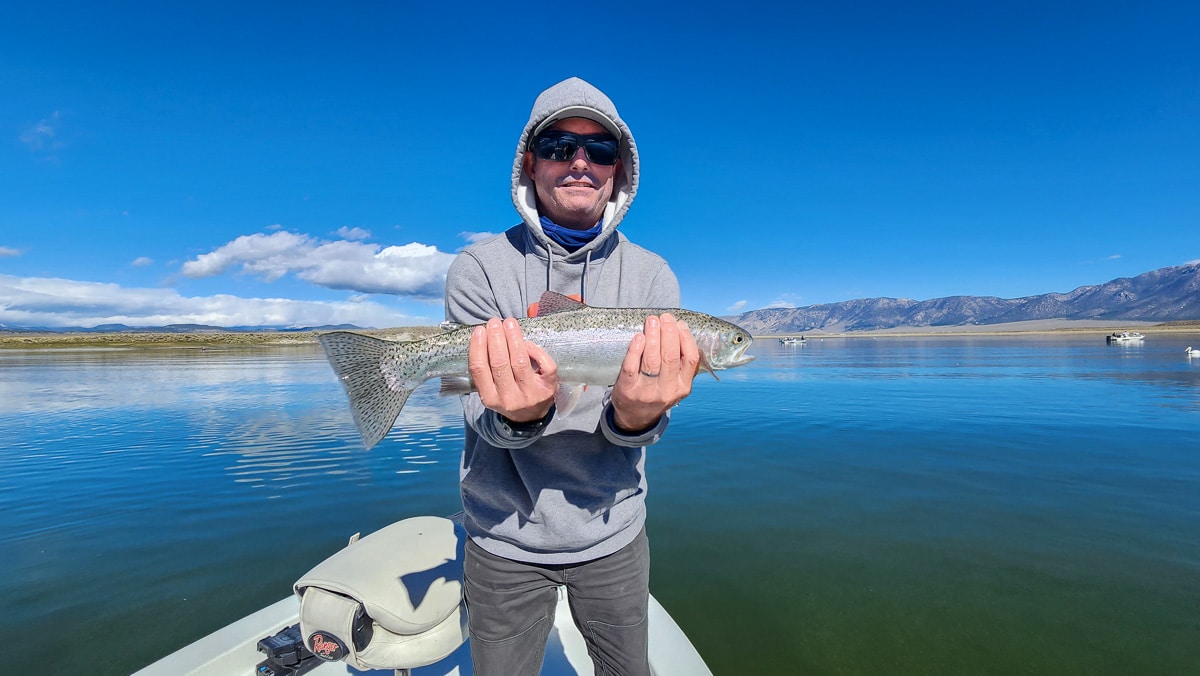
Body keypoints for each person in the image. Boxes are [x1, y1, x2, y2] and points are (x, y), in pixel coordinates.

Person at [443, 77, 700, 675]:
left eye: (600, 150)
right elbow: (477, 411)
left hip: (614, 532)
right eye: (560, 147)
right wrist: (521, 413)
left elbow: (646, 416)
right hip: (501, 537)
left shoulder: (653, 276)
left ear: (620, 170)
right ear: (530, 164)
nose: (580, 162)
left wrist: (638, 417)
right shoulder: (478, 267)